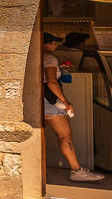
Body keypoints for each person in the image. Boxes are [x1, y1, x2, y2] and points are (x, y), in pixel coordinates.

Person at [42, 32, 104, 182]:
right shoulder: (49, 58)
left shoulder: (33, 56)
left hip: (37, 100)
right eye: (53, 43)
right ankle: (77, 170)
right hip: (50, 101)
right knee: (65, 135)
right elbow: (51, 82)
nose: (55, 46)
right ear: (45, 44)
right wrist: (65, 101)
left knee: (39, 136)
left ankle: (36, 169)